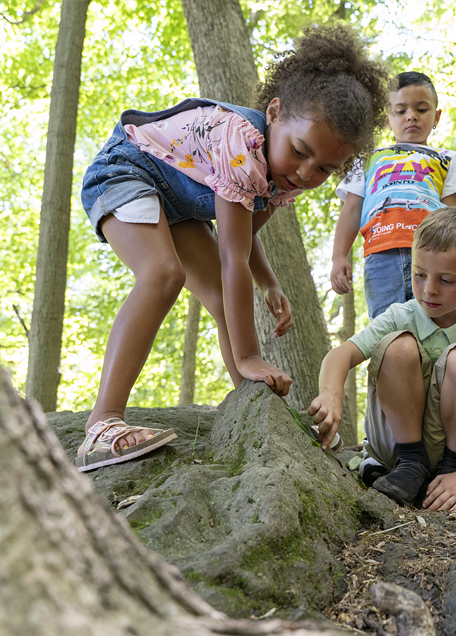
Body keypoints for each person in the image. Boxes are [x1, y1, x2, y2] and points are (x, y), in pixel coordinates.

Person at [76, 24, 389, 473]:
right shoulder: (239, 142)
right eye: (300, 152)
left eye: (324, 168)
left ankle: (251, 406)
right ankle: (102, 426)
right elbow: (231, 258)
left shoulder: (283, 175)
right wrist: (248, 354)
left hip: (176, 203)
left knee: (225, 298)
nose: (305, 173)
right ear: (275, 112)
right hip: (126, 171)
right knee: (163, 273)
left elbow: (239, 237)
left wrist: (268, 281)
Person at [310, 207, 456, 510]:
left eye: (446, 280)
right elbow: (342, 354)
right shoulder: (400, 315)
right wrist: (329, 394)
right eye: (419, 275)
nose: (429, 290)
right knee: (398, 346)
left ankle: (448, 470)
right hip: (394, 445)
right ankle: (407, 463)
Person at [330, 71, 456, 319]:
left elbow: (455, 218)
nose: (411, 116)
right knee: (387, 331)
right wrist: (339, 257)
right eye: (400, 111)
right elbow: (352, 208)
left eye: (421, 109)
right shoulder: (367, 157)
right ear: (387, 118)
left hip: (433, 257)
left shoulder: (447, 159)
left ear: (437, 116)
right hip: (380, 255)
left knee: (437, 330)